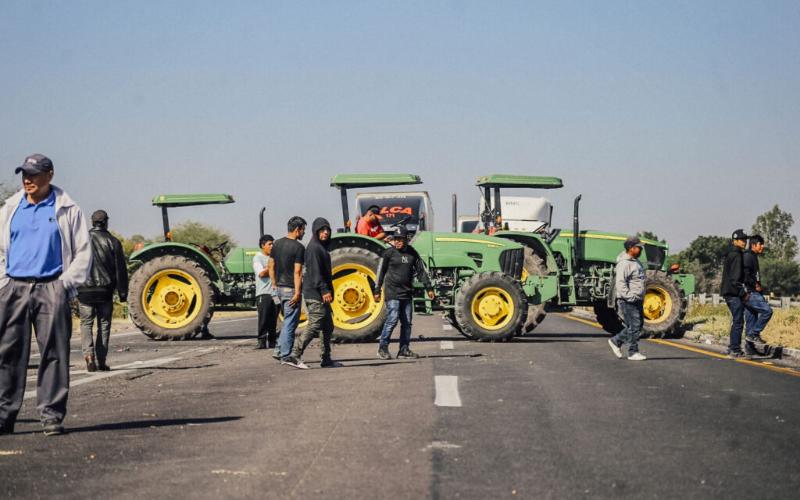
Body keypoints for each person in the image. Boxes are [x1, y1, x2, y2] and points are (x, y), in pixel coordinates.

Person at [0, 154, 91, 436]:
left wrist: (64, 285)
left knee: (54, 352)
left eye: (34, 174)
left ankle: (51, 414)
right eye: (24, 174)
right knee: (7, 353)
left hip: (51, 286)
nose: (27, 179)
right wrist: (3, 282)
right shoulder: (11, 208)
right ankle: (4, 416)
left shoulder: (67, 208)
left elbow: (82, 252)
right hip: (13, 286)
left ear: (49, 175)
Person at [77, 210, 128, 372]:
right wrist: (122, 292)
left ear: (92, 222)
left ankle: (88, 356)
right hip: (105, 291)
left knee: (86, 323)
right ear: (106, 222)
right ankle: (101, 360)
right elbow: (121, 270)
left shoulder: (80, 241)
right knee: (104, 325)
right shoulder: (113, 241)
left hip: (84, 290)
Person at [372, 227, 434, 360]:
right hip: (392, 292)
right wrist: (376, 290)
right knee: (392, 319)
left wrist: (428, 288)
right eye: (395, 239)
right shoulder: (388, 253)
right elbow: (380, 272)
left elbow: (421, 271)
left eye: (400, 239)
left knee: (407, 322)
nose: (397, 242)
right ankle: (382, 348)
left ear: (406, 239)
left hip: (406, 293)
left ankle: (404, 349)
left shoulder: (412, 253)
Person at [290, 218, 341, 368]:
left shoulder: (321, 248)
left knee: (328, 326)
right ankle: (295, 354)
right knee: (315, 324)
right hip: (315, 292)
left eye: (327, 230)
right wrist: (324, 290)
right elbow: (315, 272)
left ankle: (326, 358)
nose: (325, 233)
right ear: (316, 231)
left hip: (320, 293)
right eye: (322, 230)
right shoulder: (314, 248)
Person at [269, 216, 306, 367]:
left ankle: (278, 351)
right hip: (291, 289)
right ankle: (286, 355)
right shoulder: (298, 247)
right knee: (291, 323)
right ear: (297, 230)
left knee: (287, 321)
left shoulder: (276, 244)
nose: (304, 232)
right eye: (303, 229)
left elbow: (271, 265)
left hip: (279, 288)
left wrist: (274, 284)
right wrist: (297, 293)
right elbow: (297, 272)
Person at [607, 236, 647, 361]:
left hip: (637, 299)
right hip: (628, 300)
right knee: (634, 326)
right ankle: (633, 352)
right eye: (638, 248)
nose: (640, 250)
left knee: (637, 326)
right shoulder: (624, 264)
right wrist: (630, 297)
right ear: (631, 248)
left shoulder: (636, 262)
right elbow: (620, 284)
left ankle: (616, 341)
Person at [720, 229, 750, 359]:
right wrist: (743, 293)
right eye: (742, 240)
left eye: (745, 240)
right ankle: (735, 350)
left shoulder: (730, 254)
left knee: (735, 320)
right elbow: (735, 277)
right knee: (738, 321)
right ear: (735, 241)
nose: (744, 242)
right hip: (733, 292)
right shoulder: (737, 255)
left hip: (727, 292)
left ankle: (732, 347)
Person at [743, 234, 772, 349]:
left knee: (751, 320)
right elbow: (745, 275)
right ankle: (754, 334)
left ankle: (750, 350)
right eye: (760, 244)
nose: (762, 247)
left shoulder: (753, 256)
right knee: (767, 311)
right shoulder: (748, 256)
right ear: (754, 245)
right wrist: (755, 285)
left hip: (753, 292)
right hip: (750, 293)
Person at [253, 234, 278, 350]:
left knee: (273, 318)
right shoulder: (257, 258)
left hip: (275, 292)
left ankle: (273, 341)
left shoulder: (274, 257)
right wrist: (272, 267)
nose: (272, 246)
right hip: (264, 293)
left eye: (273, 243)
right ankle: (261, 341)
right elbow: (261, 273)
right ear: (263, 246)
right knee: (264, 318)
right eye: (269, 244)